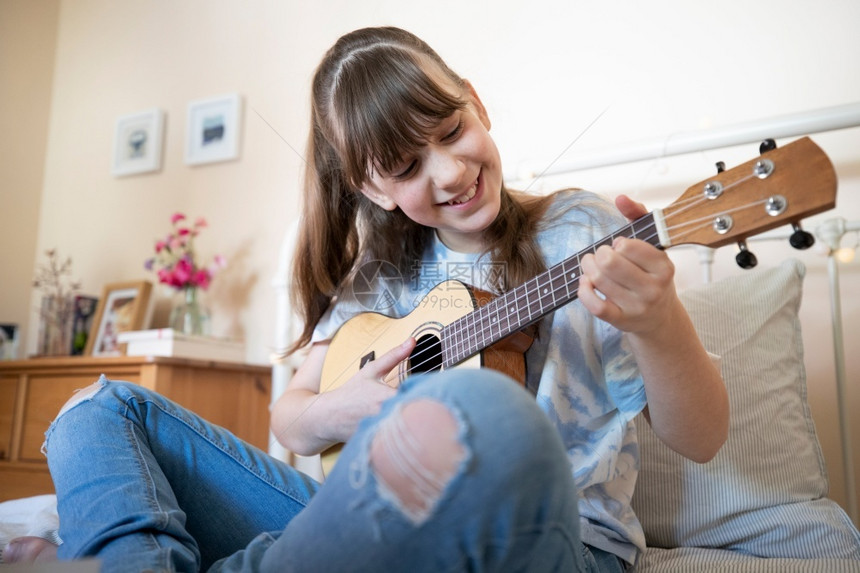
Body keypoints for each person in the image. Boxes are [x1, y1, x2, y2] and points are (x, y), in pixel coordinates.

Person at [9, 26, 727, 571]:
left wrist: (660, 324)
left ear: (475, 103)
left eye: (452, 130)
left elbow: (703, 437)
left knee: (488, 411)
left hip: (554, 536)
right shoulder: (379, 272)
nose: (450, 171)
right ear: (373, 188)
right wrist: (340, 408)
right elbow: (291, 421)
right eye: (408, 165)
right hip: (353, 513)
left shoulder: (583, 229)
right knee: (99, 407)